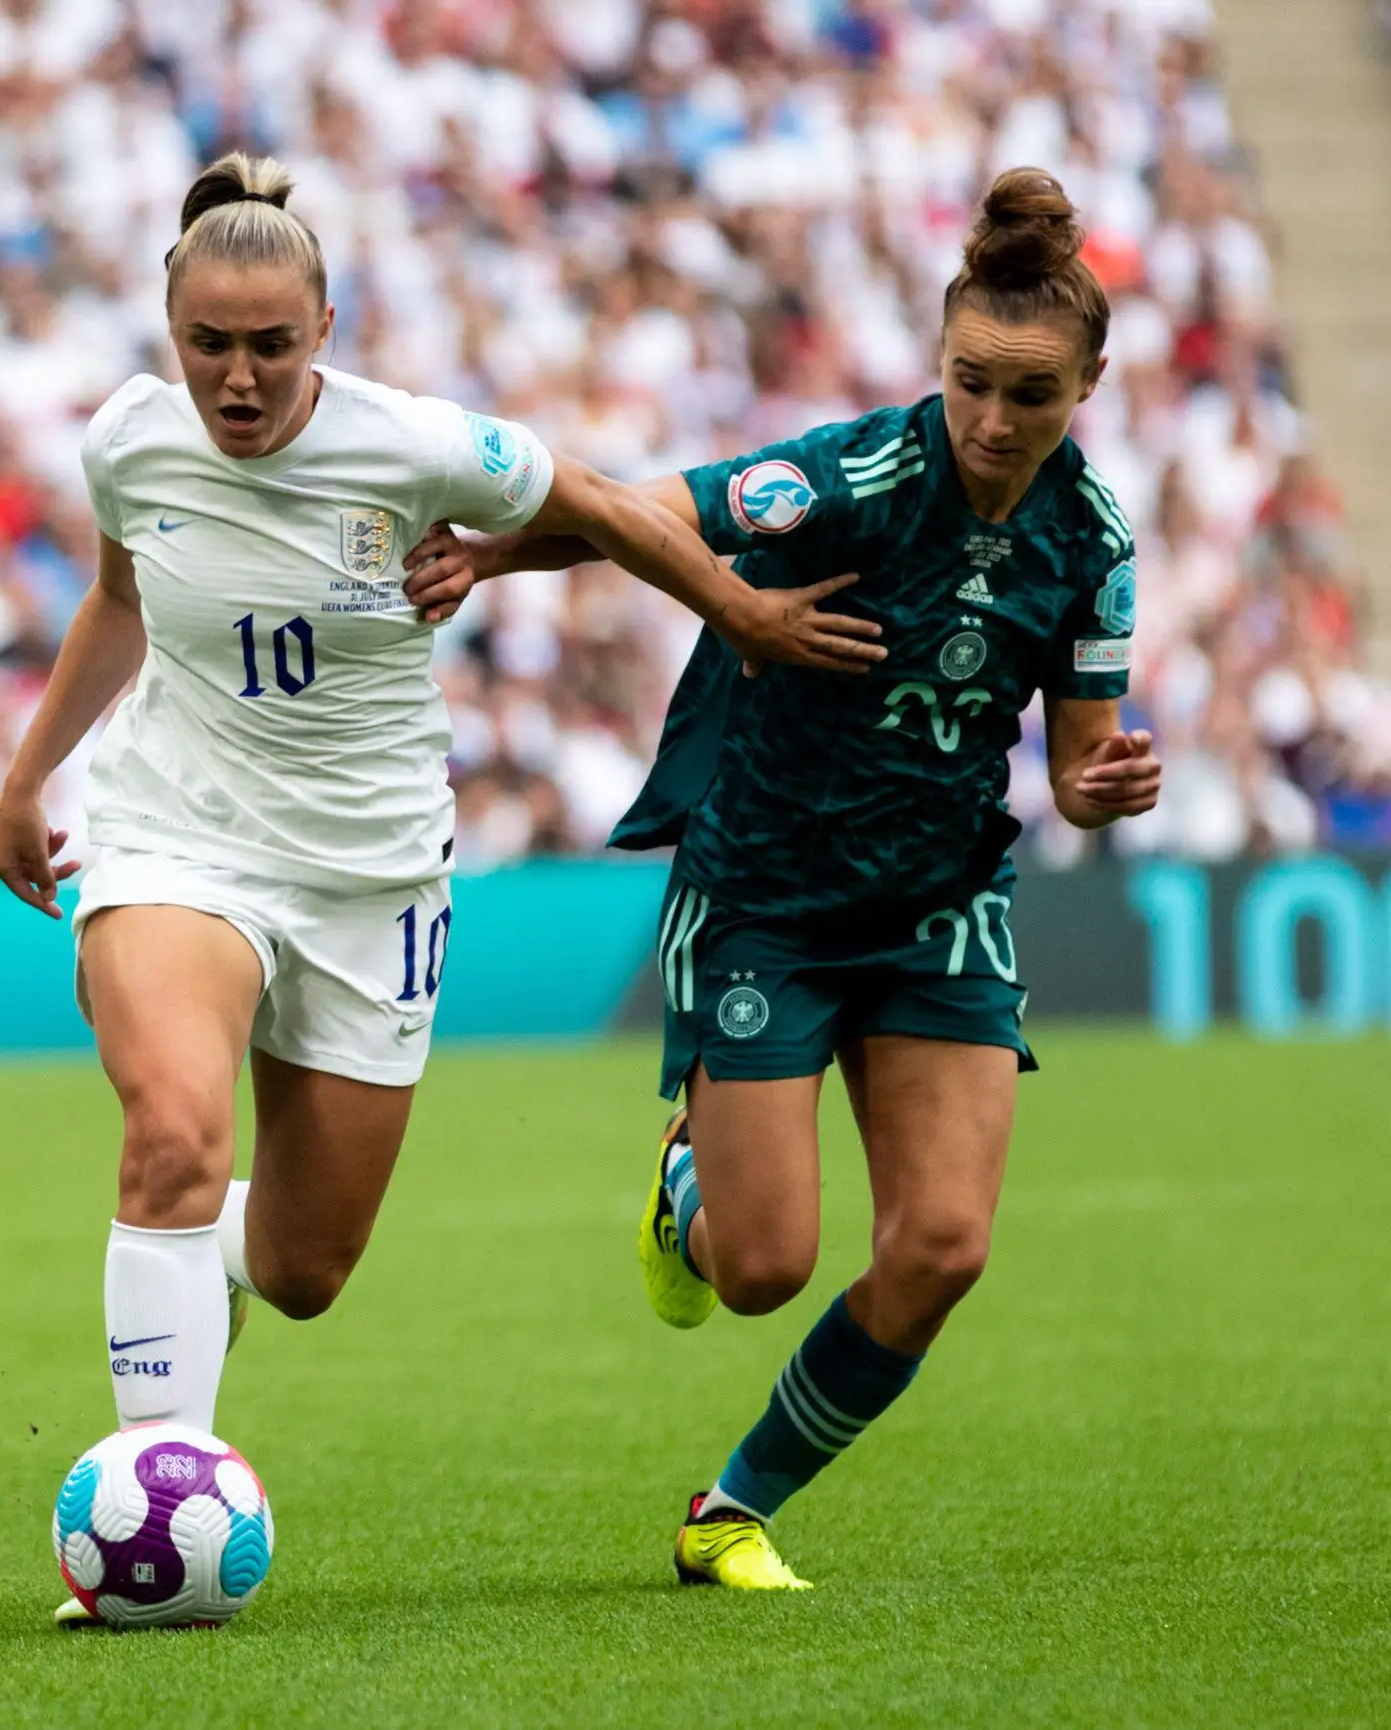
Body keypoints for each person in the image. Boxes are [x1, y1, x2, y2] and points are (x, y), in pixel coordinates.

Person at [0, 153, 883, 1626]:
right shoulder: (127, 444)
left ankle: (201, 1255)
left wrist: (740, 612)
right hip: (172, 837)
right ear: (168, 329)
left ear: (325, 325)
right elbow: (118, 598)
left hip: (368, 874)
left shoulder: (411, 445)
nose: (236, 375)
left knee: (303, 1265)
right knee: (172, 1126)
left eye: (270, 343)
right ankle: (158, 1494)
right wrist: (29, 781)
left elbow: (599, 502)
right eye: (207, 342)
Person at [402, 169, 1163, 1591]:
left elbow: (1071, 767)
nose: (994, 422)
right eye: (970, 383)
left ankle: (729, 1508)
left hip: (936, 904)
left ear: (1089, 381)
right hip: (765, 894)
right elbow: (641, 508)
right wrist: (492, 557)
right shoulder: (854, 475)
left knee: (939, 1245)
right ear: (938, 358)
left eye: (1033, 394)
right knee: (758, 1268)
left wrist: (1103, 785)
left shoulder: (1094, 547)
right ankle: (686, 1178)